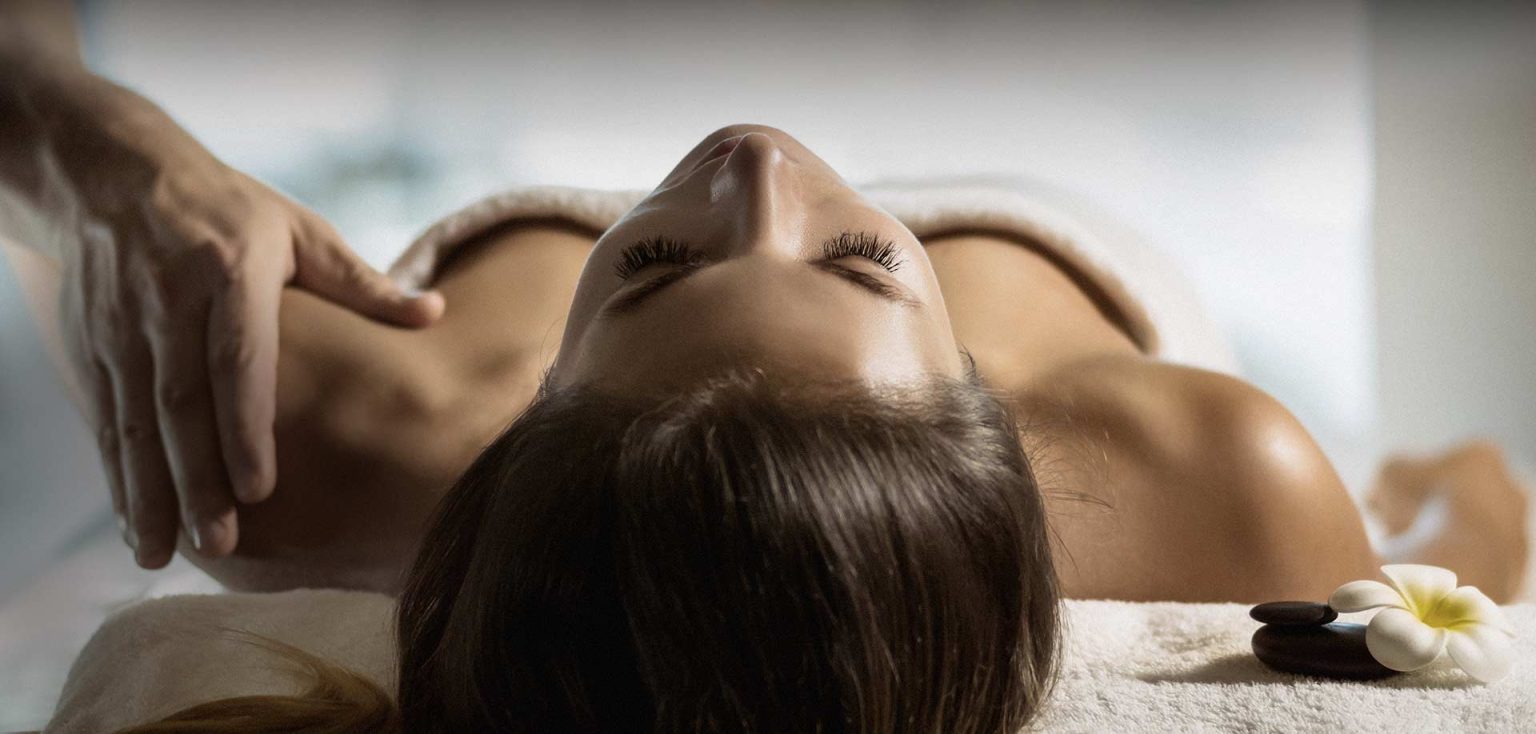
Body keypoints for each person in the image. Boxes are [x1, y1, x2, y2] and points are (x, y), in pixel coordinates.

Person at [3, 3, 1527, 732]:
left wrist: (91, 151)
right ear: (1000, 416)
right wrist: (1451, 502)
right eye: (856, 259)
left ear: (526, 411)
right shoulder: (1206, 466)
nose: (757, 161)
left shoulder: (307, 438)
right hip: (1042, 207)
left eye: (657, 268)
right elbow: (1453, 570)